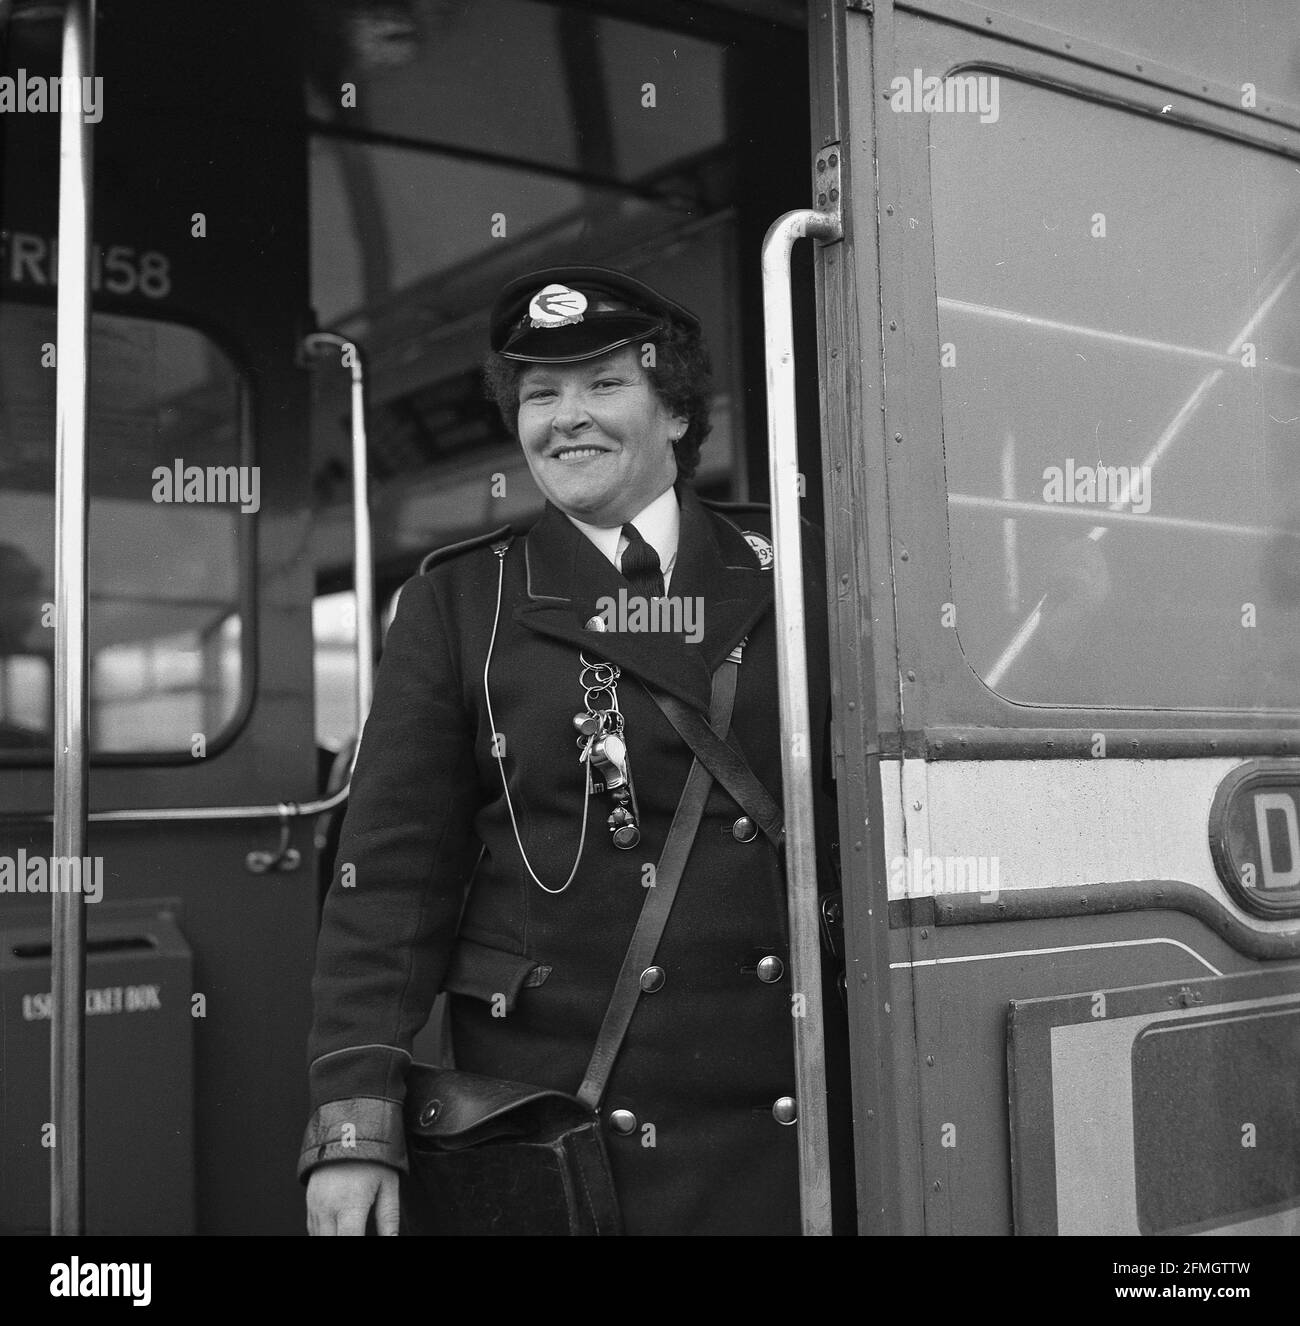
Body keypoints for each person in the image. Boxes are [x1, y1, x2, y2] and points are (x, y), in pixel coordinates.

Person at [300, 265, 851, 1236]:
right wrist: (355, 1123)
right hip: (567, 1116)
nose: (565, 419)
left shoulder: (800, 568)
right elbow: (389, 880)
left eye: (603, 386)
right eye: (539, 395)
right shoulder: (457, 606)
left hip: (787, 1101)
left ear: (677, 413)